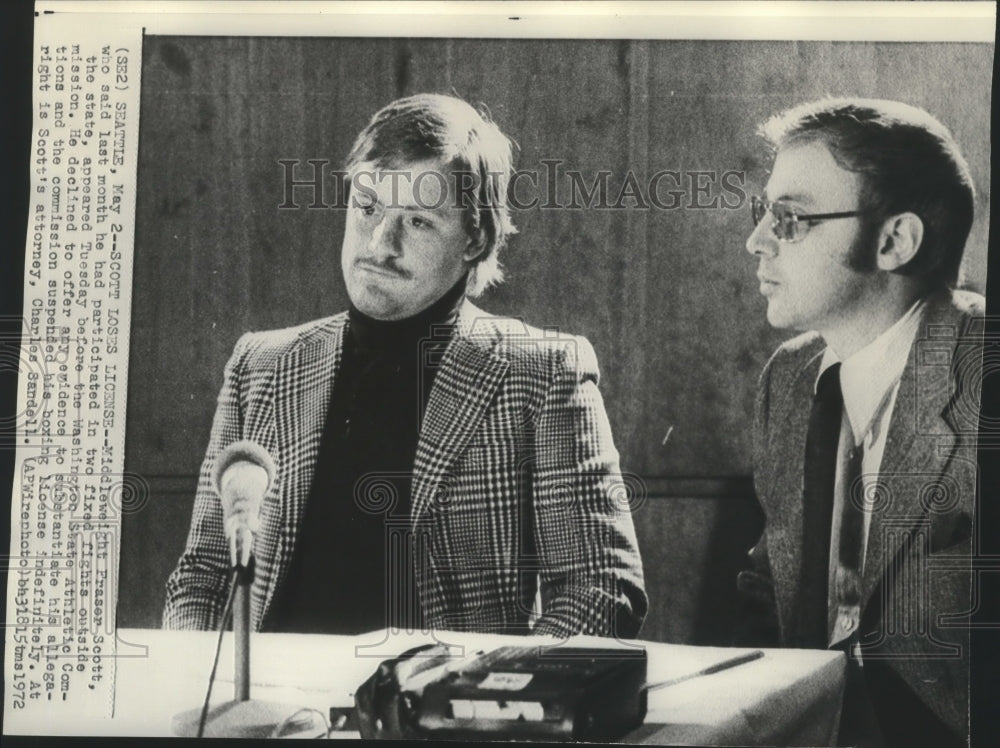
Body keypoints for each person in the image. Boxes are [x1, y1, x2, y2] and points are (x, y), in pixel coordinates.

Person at [163, 93, 647, 639]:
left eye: (417, 221)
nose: (379, 244)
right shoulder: (261, 364)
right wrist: (205, 684)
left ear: (476, 239)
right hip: (272, 713)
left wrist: (482, 698)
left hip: (443, 713)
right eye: (368, 209)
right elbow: (203, 575)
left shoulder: (543, 372)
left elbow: (603, 588)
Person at [739, 98, 982, 747]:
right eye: (763, 213)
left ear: (893, 240)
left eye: (789, 217)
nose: (756, 239)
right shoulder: (790, 380)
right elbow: (769, 591)